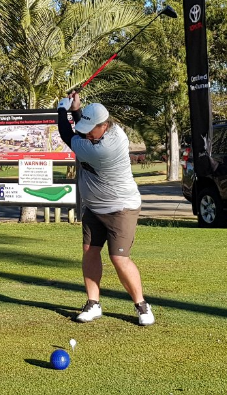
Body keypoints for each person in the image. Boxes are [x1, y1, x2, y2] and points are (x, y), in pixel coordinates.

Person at [56, 90, 154, 326]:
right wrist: (76, 109)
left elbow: (67, 134)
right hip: (94, 207)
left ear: (104, 125)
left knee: (118, 258)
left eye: (91, 129)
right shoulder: (99, 133)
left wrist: (61, 109)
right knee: (90, 251)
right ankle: (93, 304)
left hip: (120, 207)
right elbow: (81, 130)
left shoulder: (105, 148)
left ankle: (142, 305)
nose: (87, 134)